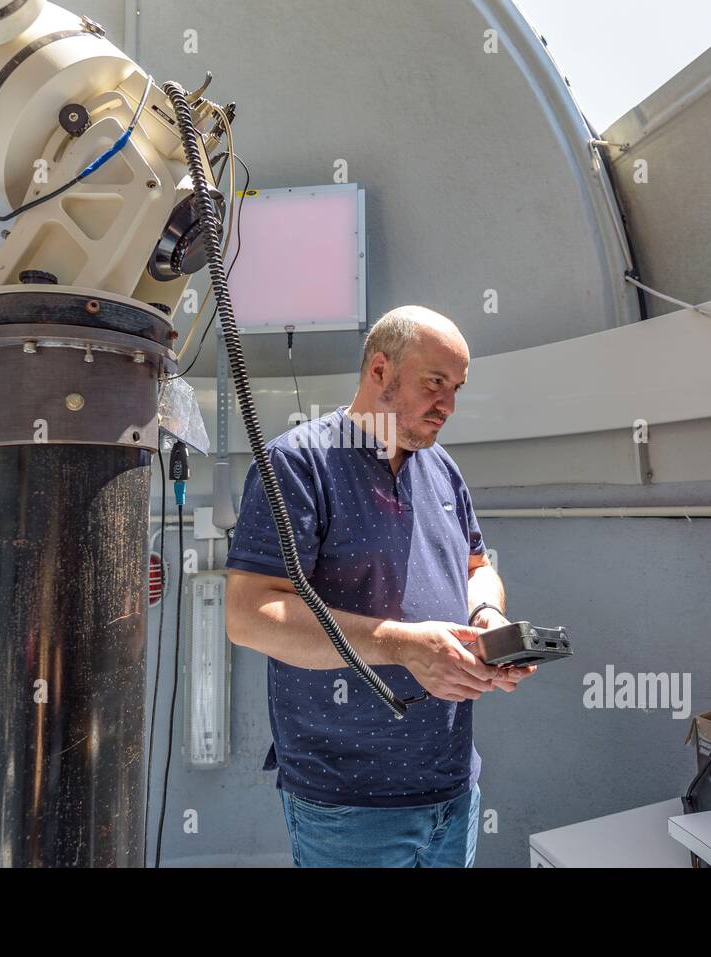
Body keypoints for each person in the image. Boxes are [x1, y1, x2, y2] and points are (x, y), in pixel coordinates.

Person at [225, 304, 536, 867]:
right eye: (434, 383)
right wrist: (404, 645)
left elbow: (475, 565)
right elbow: (250, 615)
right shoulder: (298, 463)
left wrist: (488, 615)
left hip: (453, 788)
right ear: (378, 371)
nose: (448, 405)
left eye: (457, 388)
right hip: (349, 803)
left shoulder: (442, 468)